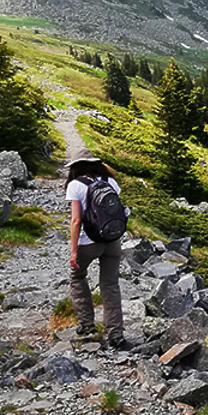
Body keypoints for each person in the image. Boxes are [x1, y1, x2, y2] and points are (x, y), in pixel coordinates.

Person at [64, 148, 129, 349]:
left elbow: (76, 220)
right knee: (110, 285)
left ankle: (87, 326)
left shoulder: (76, 185)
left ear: (76, 167)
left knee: (77, 276)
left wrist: (73, 250)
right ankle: (116, 335)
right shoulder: (110, 182)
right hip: (112, 240)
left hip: (88, 242)